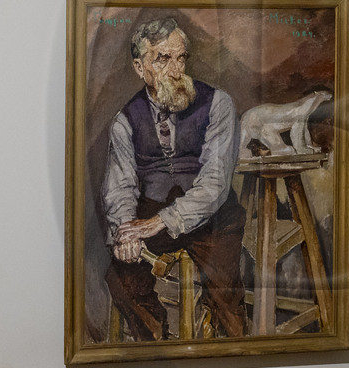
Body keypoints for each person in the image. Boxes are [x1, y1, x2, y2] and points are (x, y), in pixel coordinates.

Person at [101, 17, 247, 340]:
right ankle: (156, 349)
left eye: (180, 57)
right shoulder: (125, 122)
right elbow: (120, 187)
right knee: (121, 277)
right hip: (151, 214)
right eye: (163, 59)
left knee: (225, 293)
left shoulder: (219, 105)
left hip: (212, 218)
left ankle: (236, 357)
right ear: (140, 68)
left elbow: (214, 185)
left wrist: (161, 221)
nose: (176, 69)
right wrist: (126, 231)